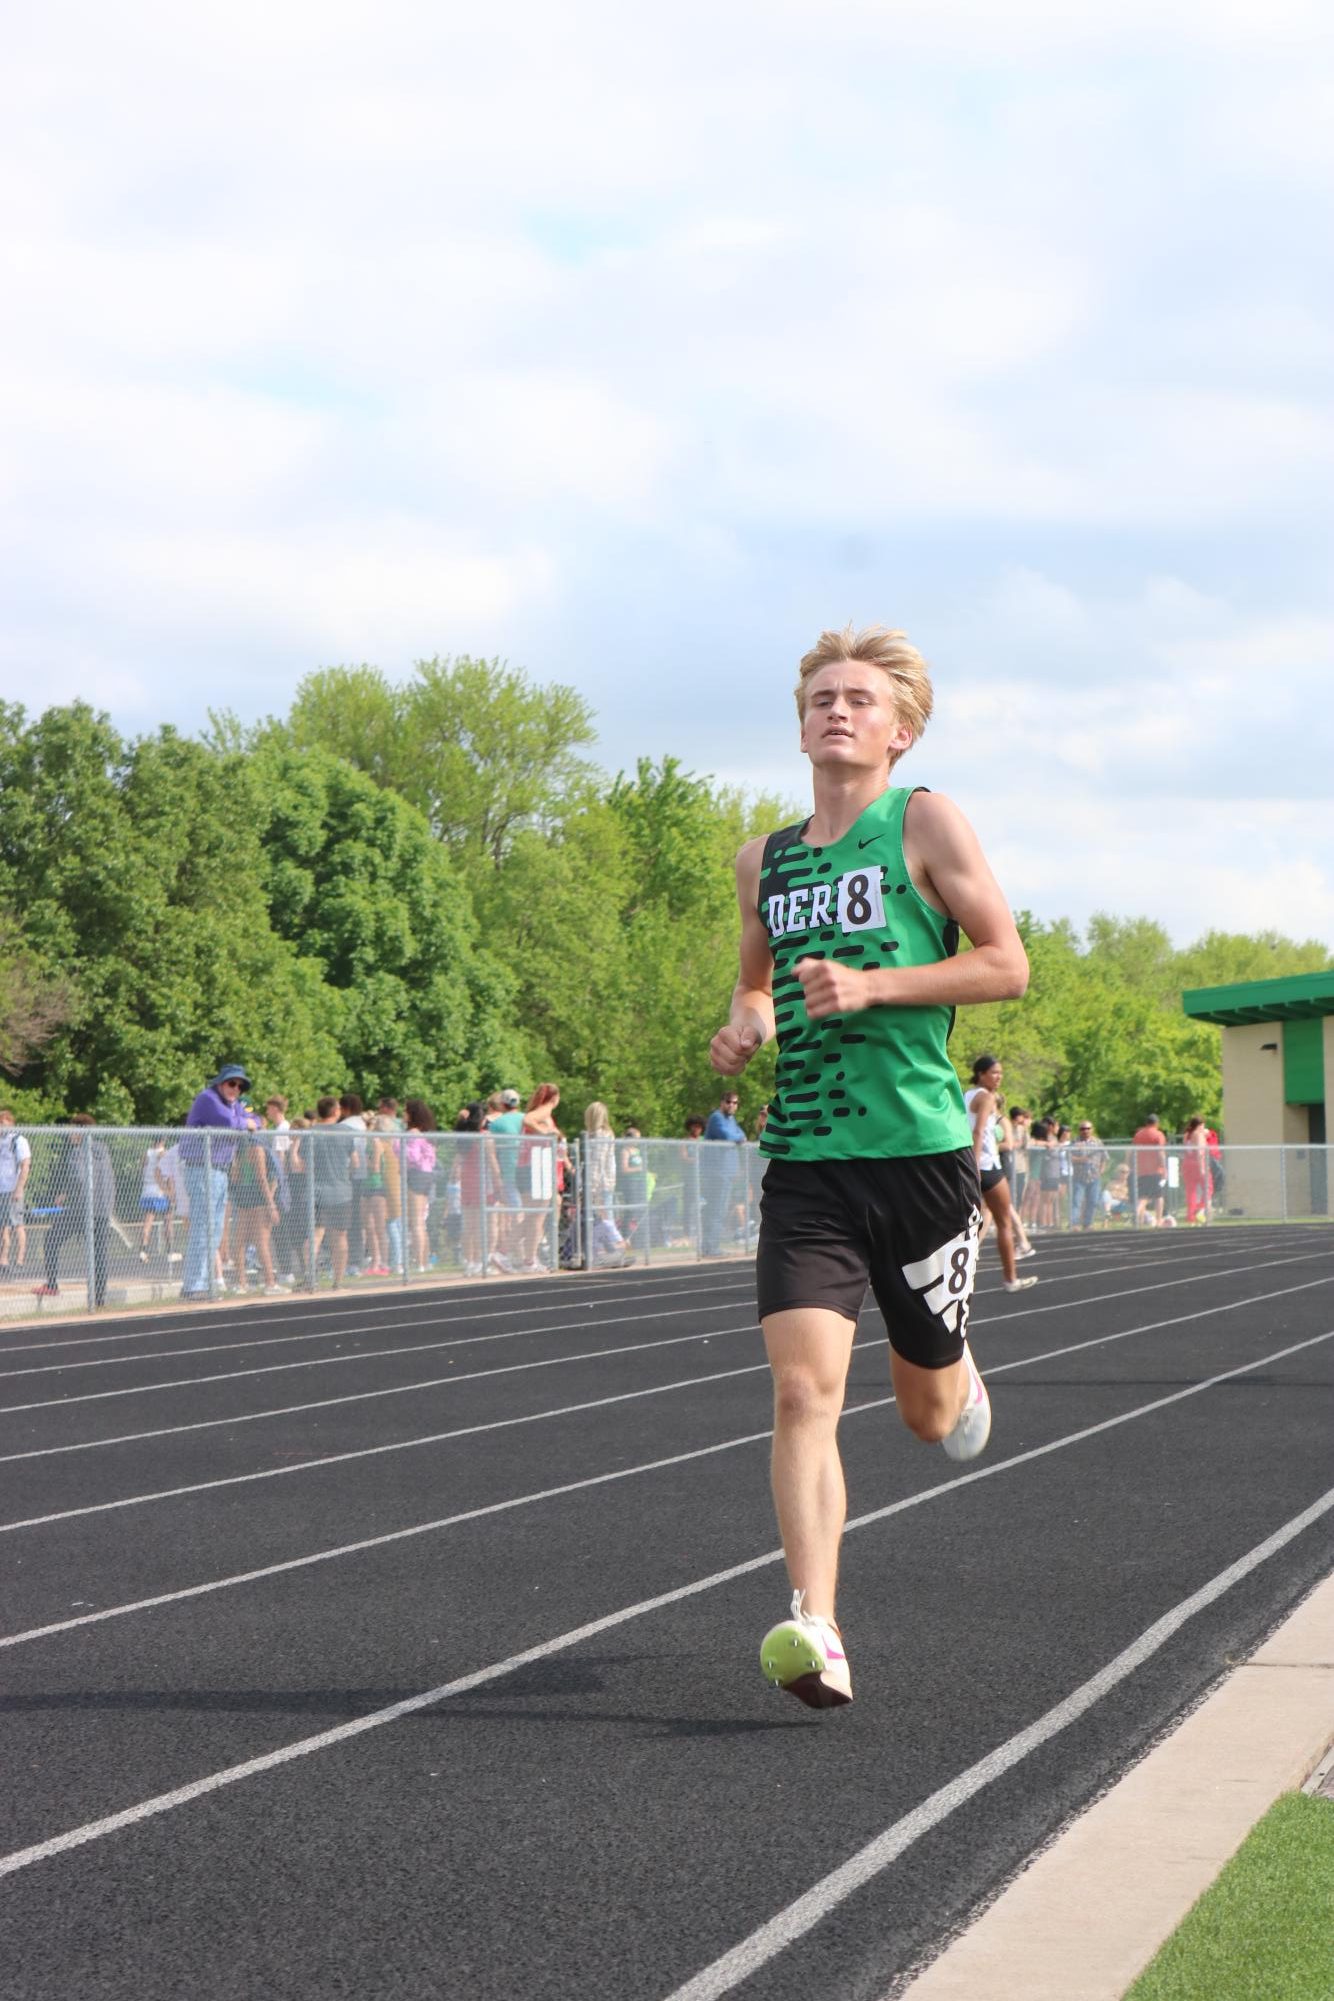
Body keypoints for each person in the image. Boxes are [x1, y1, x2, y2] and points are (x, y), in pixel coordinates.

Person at [711, 622, 1030, 1709]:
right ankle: (815, 1622)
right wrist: (743, 1021)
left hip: (920, 1157)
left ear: (898, 730)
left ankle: (957, 1363)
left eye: (856, 699)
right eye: (818, 698)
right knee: (803, 1390)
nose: (834, 710)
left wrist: (875, 986)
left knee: (925, 1419)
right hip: (806, 1160)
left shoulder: (924, 820)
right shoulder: (765, 858)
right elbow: (755, 982)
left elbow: (1004, 965)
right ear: (799, 724)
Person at [963, 1057, 1039, 1290]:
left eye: (1001, 1073)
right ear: (980, 1073)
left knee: (971, 1221)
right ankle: (1011, 1279)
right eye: (994, 1073)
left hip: (975, 1164)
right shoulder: (986, 1097)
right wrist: (975, 1165)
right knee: (1004, 1221)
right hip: (987, 1166)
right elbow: (977, 1132)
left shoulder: (967, 1095)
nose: (999, 1077)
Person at [179, 1063, 252, 1300]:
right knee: (204, 1226)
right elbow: (231, 1123)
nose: (236, 1089)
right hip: (202, 1168)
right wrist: (244, 1121)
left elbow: (256, 1119)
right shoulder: (208, 1098)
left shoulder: (234, 1104)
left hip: (220, 1170)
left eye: (240, 1086)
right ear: (220, 1082)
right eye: (232, 1083)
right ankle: (194, 1285)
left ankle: (202, 1282)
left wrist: (246, 1119)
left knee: (216, 1228)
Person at [34, 1115, 114, 1306]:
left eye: (72, 1129)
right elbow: (110, 1180)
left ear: (80, 1131)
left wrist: (66, 1194)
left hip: (81, 1209)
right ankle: (99, 1297)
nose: (69, 1133)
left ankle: (52, 1283)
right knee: (99, 1253)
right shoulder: (103, 1150)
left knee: (51, 1240)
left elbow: (78, 1178)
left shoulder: (77, 1152)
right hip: (103, 1208)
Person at [517, 1084, 563, 1271]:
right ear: (555, 1098)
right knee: (537, 1216)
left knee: (533, 1215)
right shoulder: (545, 1110)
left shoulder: (542, 1112)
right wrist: (547, 1133)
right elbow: (527, 1120)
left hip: (531, 1165)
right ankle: (528, 1259)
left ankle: (510, 1252)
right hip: (536, 1165)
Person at [583, 1101, 632, 1267]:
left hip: (600, 1183)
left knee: (604, 1217)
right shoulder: (598, 1134)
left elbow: (598, 1162)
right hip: (602, 1182)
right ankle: (608, 1251)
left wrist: (592, 1186)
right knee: (600, 1218)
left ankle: (617, 1247)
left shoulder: (601, 1134)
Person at [701, 1089, 746, 1255]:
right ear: (722, 1103)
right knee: (716, 1210)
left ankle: (710, 1246)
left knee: (719, 1209)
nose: (731, 1105)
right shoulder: (716, 1117)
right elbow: (728, 1136)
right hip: (716, 1174)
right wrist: (738, 1138)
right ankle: (710, 1247)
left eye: (735, 1102)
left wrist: (738, 1137)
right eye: (728, 1102)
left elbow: (742, 1134)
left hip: (727, 1174)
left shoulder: (732, 1119)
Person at [404, 1098, 438, 1274]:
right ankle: (424, 1260)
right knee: (421, 1221)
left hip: (416, 1175)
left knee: (416, 1221)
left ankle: (420, 1262)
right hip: (427, 1175)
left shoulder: (413, 1133)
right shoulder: (427, 1133)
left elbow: (413, 1157)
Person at [0, 1107, 33, 1275]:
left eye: (5, 1124)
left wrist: (19, 1189)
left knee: (17, 1224)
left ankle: (20, 1260)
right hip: (1, 1189)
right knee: (3, 1225)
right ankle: (3, 1260)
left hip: (13, 1190)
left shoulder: (19, 1140)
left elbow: (25, 1165)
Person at [1069, 1119, 1110, 1231]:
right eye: (1083, 1129)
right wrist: (1081, 1159)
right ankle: (1074, 1224)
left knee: (1093, 1201)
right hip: (1079, 1177)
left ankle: (1088, 1223)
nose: (1085, 1131)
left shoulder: (1098, 1142)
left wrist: (1101, 1171)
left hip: (1094, 1177)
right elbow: (1068, 1158)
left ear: (1092, 1130)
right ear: (1079, 1130)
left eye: (1088, 1128)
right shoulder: (1074, 1142)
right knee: (1077, 1201)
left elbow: (1105, 1158)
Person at [1133, 1111, 1169, 1227]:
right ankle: (1158, 1220)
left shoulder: (1138, 1135)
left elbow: (1133, 1151)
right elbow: (1160, 1152)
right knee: (1158, 1196)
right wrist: (1164, 1168)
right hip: (1155, 1171)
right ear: (1156, 1123)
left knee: (1143, 1196)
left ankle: (1139, 1219)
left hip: (1141, 1169)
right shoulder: (1158, 1135)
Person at [1182, 1115, 1213, 1224]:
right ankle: (1199, 1210)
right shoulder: (1198, 1135)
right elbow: (1200, 1152)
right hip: (1198, 1164)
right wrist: (1201, 1168)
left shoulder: (1187, 1135)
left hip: (1187, 1164)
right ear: (1200, 1125)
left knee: (1191, 1192)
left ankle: (1191, 1217)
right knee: (1208, 1189)